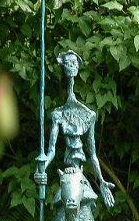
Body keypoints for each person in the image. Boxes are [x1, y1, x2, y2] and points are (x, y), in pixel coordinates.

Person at [34, 50, 115, 209]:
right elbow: (51, 151)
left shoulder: (89, 115)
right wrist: (40, 169)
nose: (70, 66)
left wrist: (101, 180)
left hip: (78, 175)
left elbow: (93, 155)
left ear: (78, 66)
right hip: (67, 176)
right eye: (67, 63)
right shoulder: (58, 115)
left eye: (73, 63)